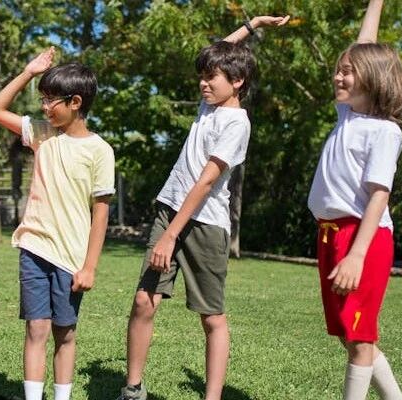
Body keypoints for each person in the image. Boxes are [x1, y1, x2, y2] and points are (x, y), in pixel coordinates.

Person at [117, 15, 289, 400]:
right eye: (202, 77)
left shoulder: (236, 123)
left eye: (211, 78)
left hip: (205, 225)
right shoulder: (209, 105)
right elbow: (220, 53)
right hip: (170, 210)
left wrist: (170, 236)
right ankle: (133, 388)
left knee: (211, 317)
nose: (203, 83)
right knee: (144, 301)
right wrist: (253, 24)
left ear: (237, 82)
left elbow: (206, 182)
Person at [0, 48, 115, 400]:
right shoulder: (42, 134)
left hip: (71, 258)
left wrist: (89, 267)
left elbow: (101, 213)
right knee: (36, 329)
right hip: (34, 248)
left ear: (75, 102)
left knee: (65, 333)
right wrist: (28, 72)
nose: (44, 108)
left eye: (49, 101)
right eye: (41, 100)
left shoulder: (100, 151)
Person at [306, 1, 402, 399]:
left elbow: (379, 196)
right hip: (330, 235)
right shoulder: (348, 115)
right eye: (339, 69)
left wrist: (357, 255)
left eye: (347, 71)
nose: (338, 75)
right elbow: (365, 43)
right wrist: (376, 2)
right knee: (349, 335)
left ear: (372, 77)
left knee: (360, 336)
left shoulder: (384, 132)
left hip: (362, 239)